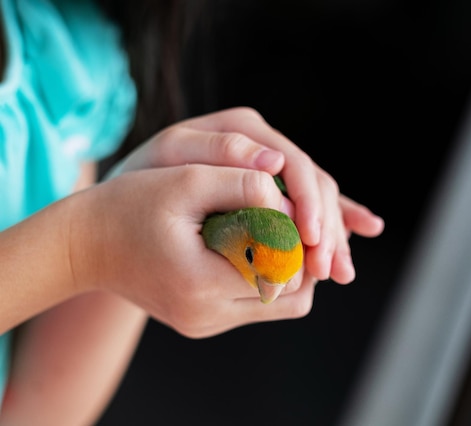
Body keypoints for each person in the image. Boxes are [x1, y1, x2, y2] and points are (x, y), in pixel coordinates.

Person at [0, 0, 385, 424]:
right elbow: (86, 242)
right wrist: (88, 243)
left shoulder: (66, 63)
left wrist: (130, 207)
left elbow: (32, 412)